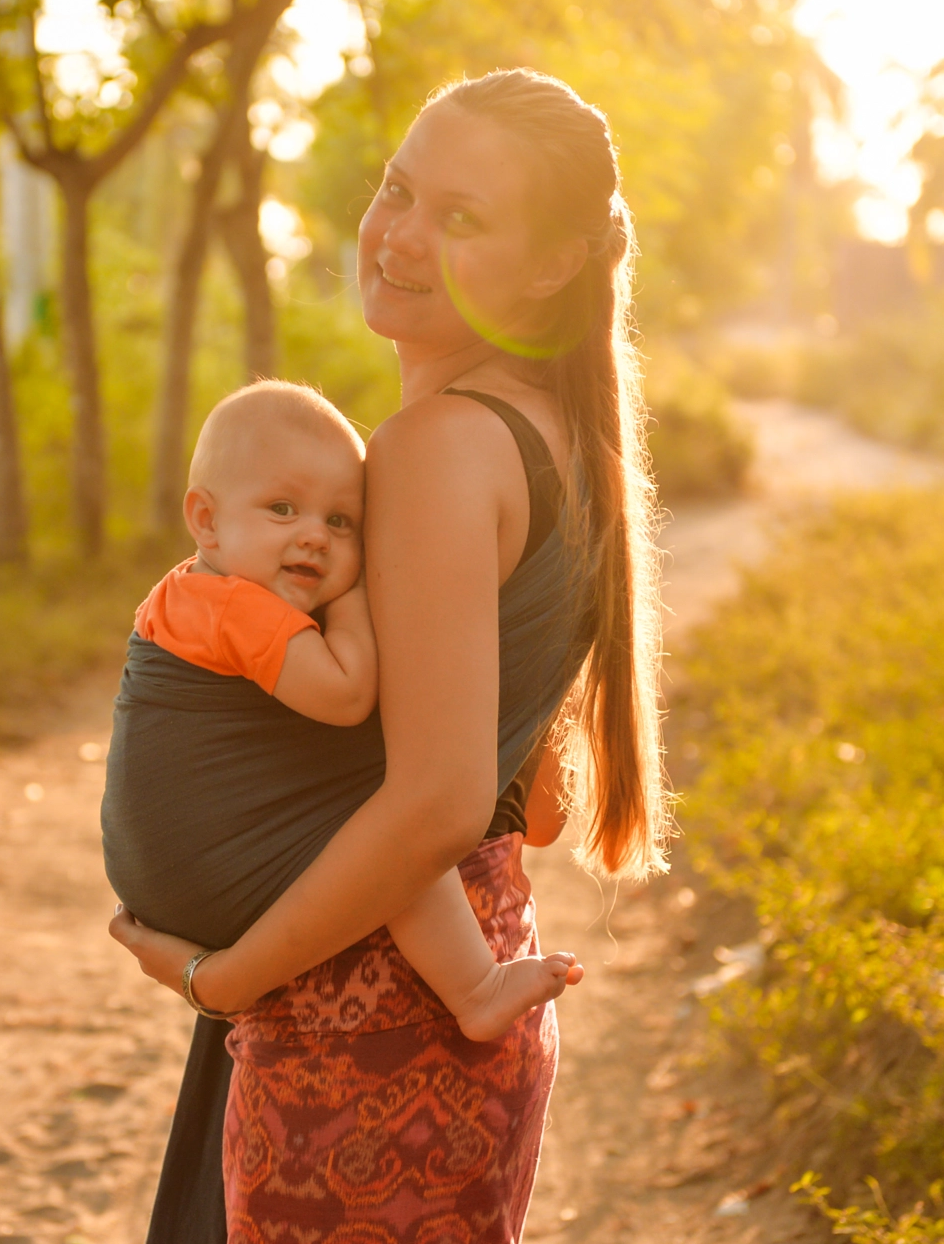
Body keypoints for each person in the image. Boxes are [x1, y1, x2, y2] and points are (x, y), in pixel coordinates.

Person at [110, 67, 669, 1242]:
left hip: (353, 1023)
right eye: (398, 188)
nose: (399, 234)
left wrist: (227, 978)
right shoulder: (553, 439)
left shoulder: (434, 450)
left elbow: (436, 802)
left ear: (555, 262)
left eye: (460, 218)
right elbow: (535, 800)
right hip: (429, 1002)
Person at [102, 378, 582, 1043]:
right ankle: (475, 987)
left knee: (392, 816)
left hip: (164, 886)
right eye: (282, 508)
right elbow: (347, 692)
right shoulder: (232, 608)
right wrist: (355, 592)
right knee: (389, 825)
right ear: (205, 520)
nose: (315, 538)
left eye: (340, 521)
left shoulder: (182, 595)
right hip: (213, 877)